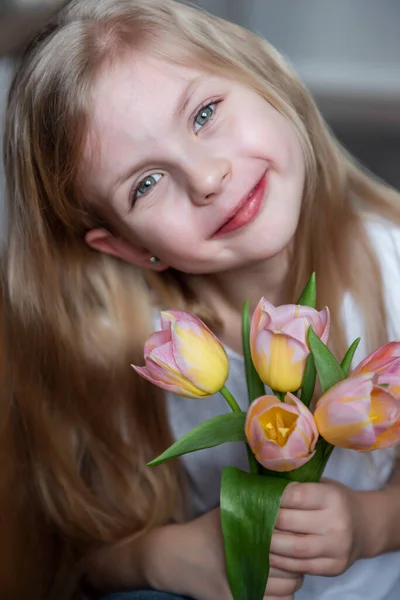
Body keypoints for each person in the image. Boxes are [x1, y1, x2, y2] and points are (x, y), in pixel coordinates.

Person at [1, 0, 400, 599]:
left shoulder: (390, 263)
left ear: (264, 80)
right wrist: (160, 556)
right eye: (147, 183)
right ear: (131, 249)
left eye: (205, 113)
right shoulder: (133, 349)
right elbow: (74, 554)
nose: (207, 177)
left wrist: (372, 524)